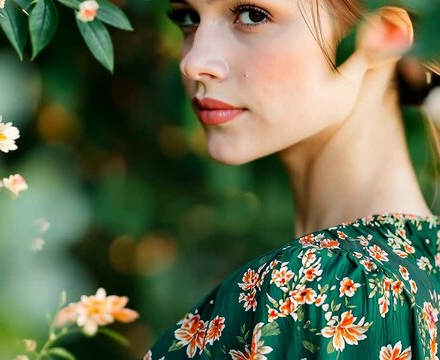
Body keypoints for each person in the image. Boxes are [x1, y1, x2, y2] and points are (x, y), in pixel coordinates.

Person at [143, 0, 440, 359]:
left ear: (383, 36)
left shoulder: (320, 287)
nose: (192, 63)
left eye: (252, 15)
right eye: (188, 18)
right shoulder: (424, 261)